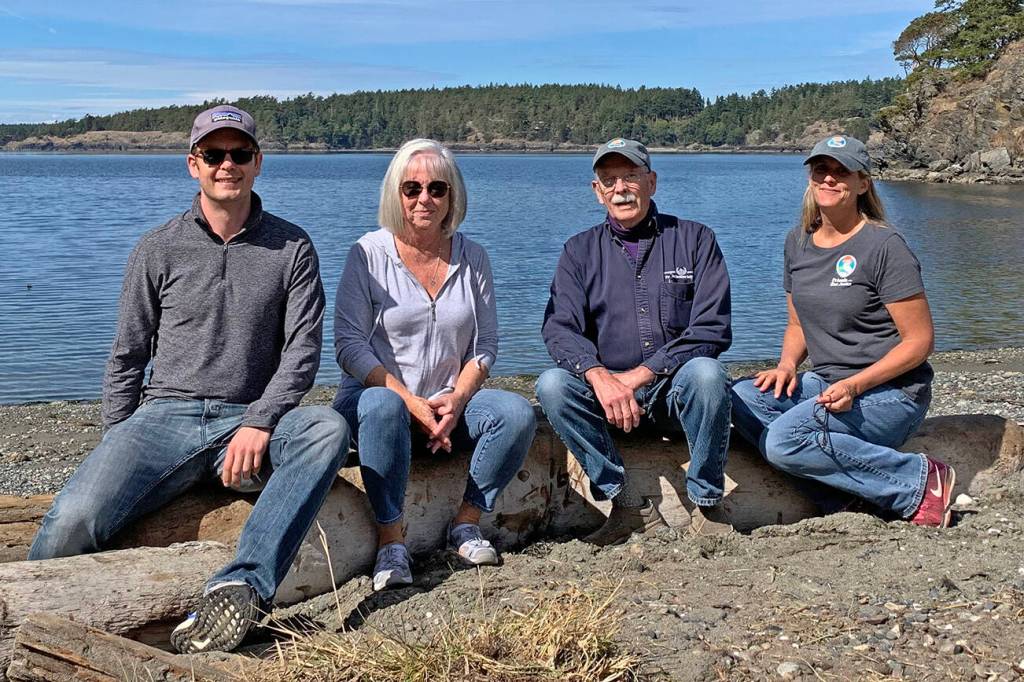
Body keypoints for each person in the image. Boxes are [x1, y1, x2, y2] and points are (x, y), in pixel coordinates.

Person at [28, 105, 350, 654]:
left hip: (248, 426)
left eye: (240, 153)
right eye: (214, 154)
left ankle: (241, 587)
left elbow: (302, 353)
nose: (228, 164)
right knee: (71, 521)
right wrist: (118, 442)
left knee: (326, 429)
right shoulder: (158, 247)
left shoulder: (292, 248)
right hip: (165, 417)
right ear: (193, 164)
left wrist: (260, 421)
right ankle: (24, 618)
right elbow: (127, 355)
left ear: (258, 163)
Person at [333, 138, 536, 591]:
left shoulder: (473, 257)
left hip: (448, 405)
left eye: (436, 188)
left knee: (515, 412)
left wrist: (458, 400)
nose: (424, 198)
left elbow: (485, 345)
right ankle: (391, 542)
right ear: (396, 194)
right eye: (412, 188)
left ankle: (466, 523)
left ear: (452, 196)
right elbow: (348, 346)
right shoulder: (368, 254)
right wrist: (408, 401)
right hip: (377, 406)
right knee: (383, 405)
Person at [730, 134, 955, 527]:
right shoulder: (797, 241)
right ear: (811, 178)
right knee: (738, 397)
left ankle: (918, 482)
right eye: (821, 170)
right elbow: (798, 322)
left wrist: (855, 385)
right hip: (826, 382)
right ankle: (845, 500)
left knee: (783, 441)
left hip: (891, 394)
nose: (829, 179)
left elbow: (920, 342)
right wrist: (786, 365)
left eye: (842, 172)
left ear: (862, 183)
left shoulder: (885, 245)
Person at [535, 138, 734, 545]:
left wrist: (640, 375)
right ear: (597, 191)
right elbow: (559, 329)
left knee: (708, 374)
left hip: (671, 391)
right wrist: (599, 376)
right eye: (609, 180)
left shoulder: (695, 239)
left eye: (630, 176)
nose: (621, 189)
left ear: (652, 182)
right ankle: (628, 505)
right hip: (607, 400)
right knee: (552, 385)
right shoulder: (578, 251)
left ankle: (706, 506)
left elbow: (712, 328)